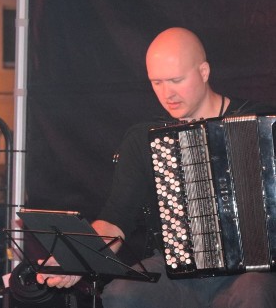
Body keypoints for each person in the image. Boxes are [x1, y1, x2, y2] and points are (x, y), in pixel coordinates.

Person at [38, 26, 276, 307]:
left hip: (251, 271)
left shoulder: (260, 121)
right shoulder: (143, 138)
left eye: (176, 80)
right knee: (121, 293)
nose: (167, 93)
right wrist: (76, 257)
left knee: (254, 294)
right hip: (175, 270)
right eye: (157, 82)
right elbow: (115, 220)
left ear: (203, 71)